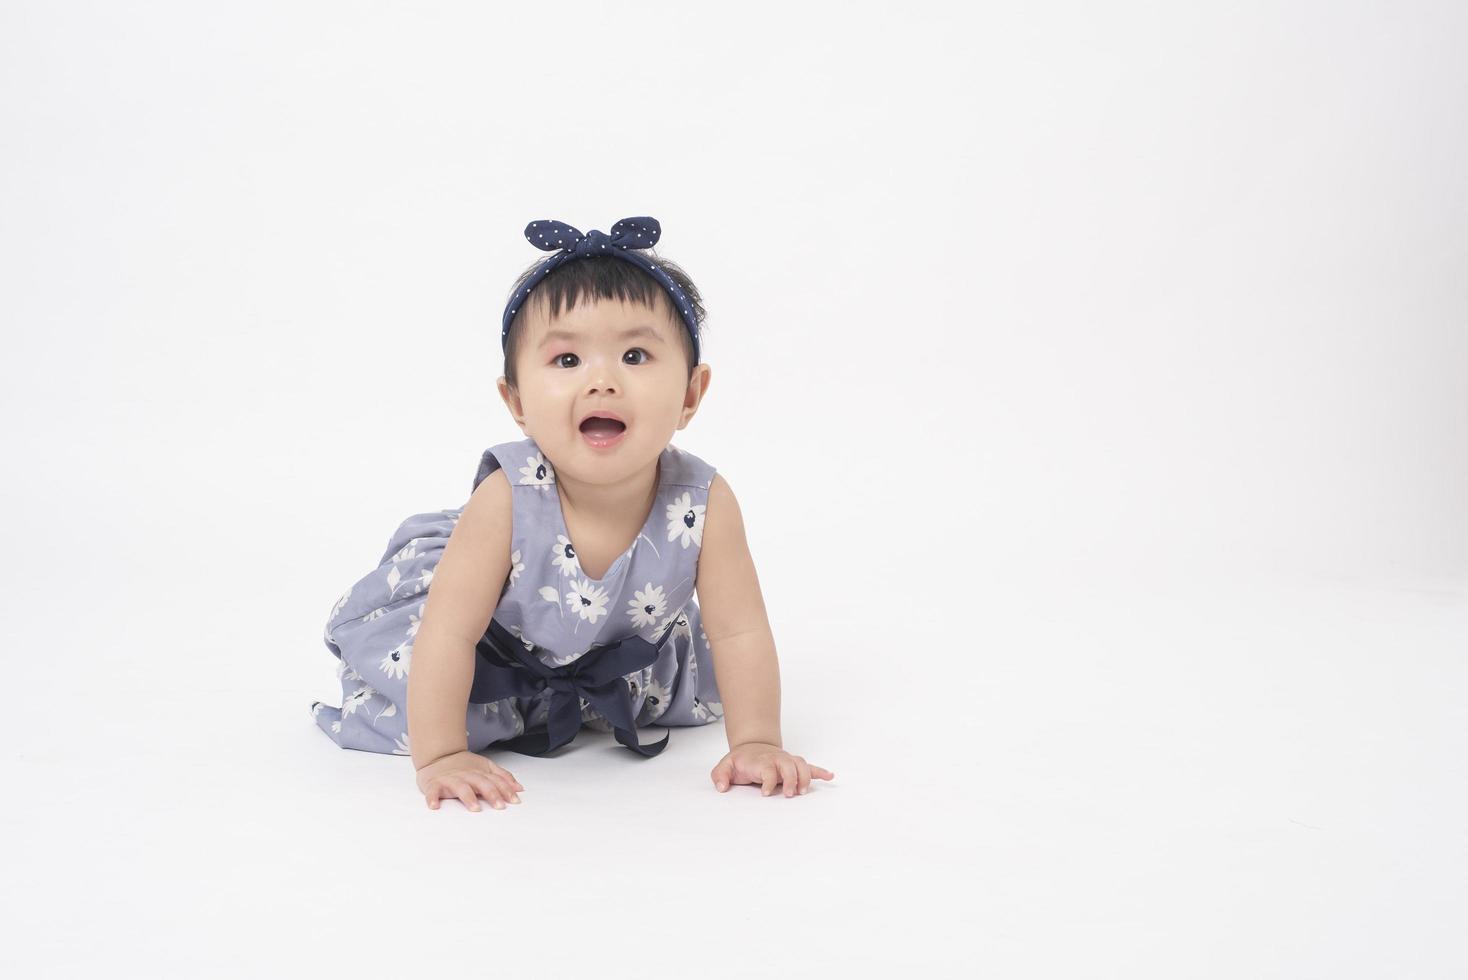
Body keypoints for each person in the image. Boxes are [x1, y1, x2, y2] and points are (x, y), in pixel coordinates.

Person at [310, 216, 835, 811]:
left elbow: (739, 630)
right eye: (566, 362)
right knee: (435, 708)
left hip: (618, 656)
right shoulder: (508, 497)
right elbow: (450, 632)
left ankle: (588, 695)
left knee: (705, 686)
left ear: (690, 394)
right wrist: (441, 755)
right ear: (517, 402)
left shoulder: (704, 500)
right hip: (487, 654)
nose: (603, 382)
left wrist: (758, 740)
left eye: (635, 355)